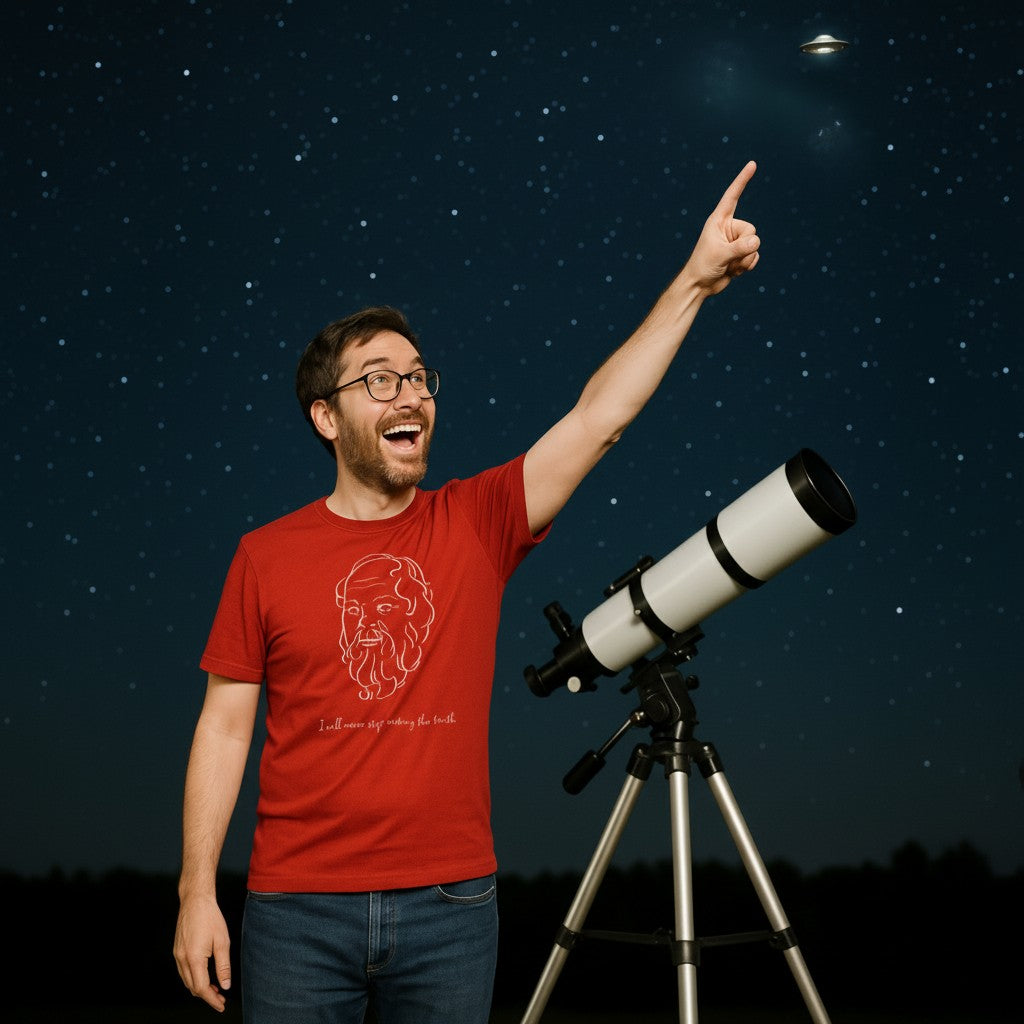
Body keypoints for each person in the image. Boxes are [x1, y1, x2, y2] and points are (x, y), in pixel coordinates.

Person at [173, 161, 761, 1022]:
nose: (410, 392)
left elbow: (600, 419)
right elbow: (224, 726)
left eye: (418, 377)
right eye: (380, 378)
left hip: (450, 910)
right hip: (295, 912)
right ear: (326, 418)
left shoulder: (476, 521)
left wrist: (694, 283)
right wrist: (195, 893)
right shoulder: (264, 555)